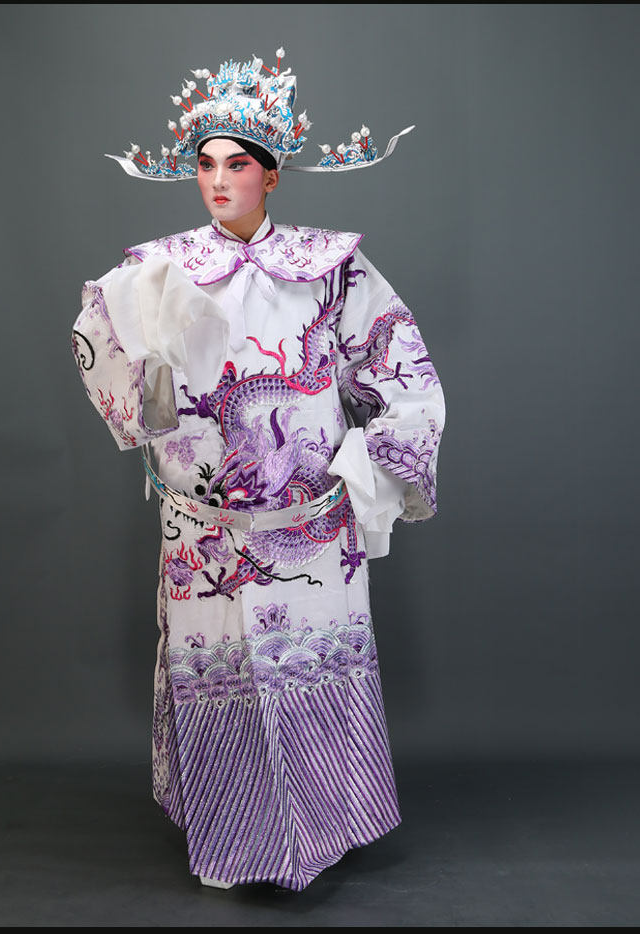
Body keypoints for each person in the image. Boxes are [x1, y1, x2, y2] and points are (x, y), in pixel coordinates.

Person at [71, 49, 445, 892]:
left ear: (271, 175)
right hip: (205, 531)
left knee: (311, 666)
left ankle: (327, 826)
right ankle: (236, 837)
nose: (217, 181)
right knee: (219, 676)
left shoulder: (331, 268)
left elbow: (403, 373)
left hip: (310, 525)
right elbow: (105, 354)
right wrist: (147, 377)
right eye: (205, 165)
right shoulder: (156, 271)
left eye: (236, 165)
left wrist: (372, 466)